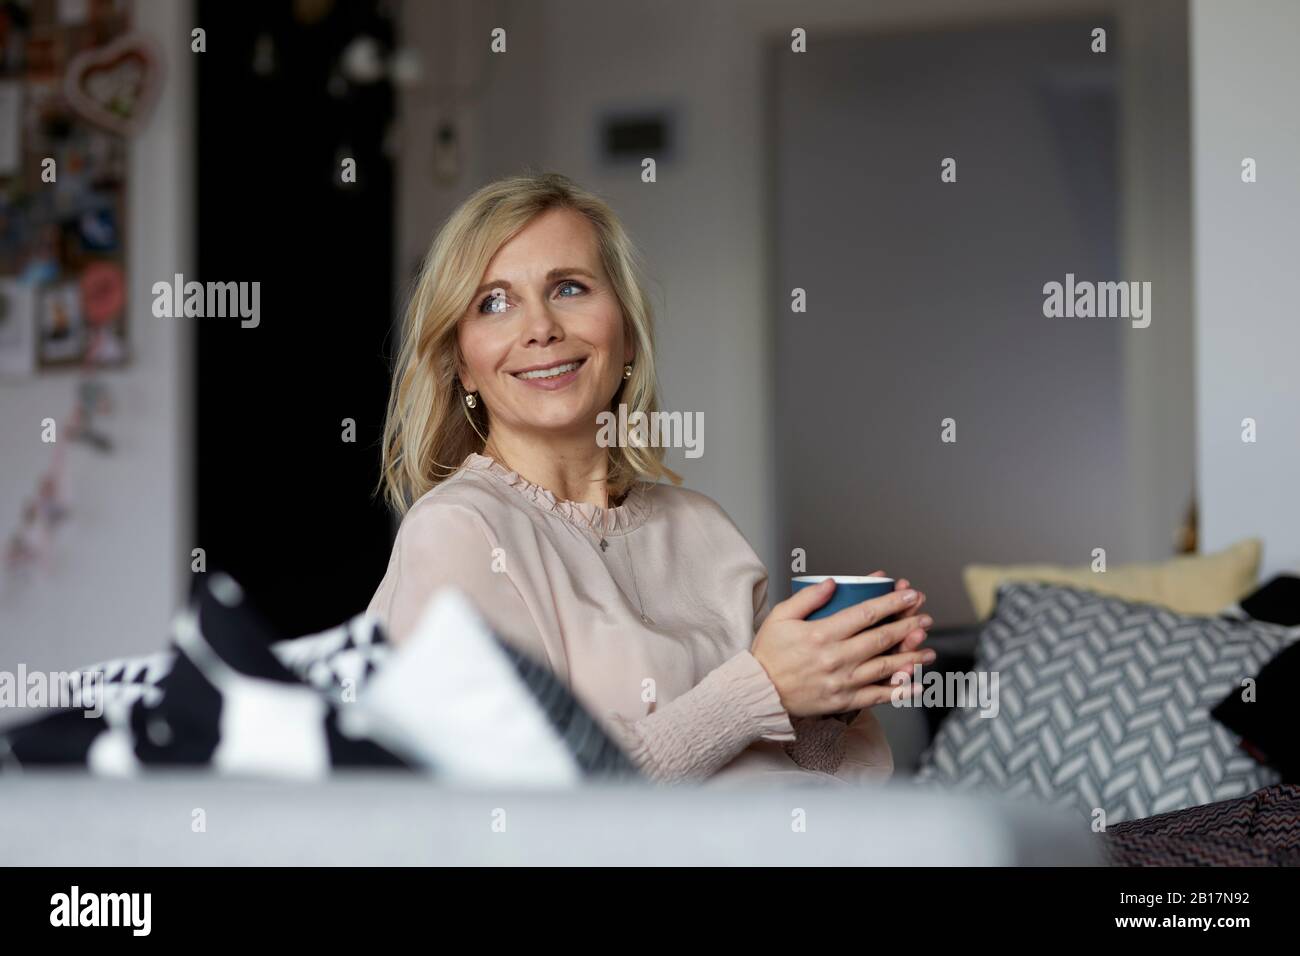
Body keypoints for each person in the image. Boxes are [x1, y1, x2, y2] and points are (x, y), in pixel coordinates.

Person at [368, 171, 935, 784]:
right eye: (494, 302)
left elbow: (805, 780)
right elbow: (519, 803)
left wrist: (826, 703)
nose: (540, 328)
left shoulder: (704, 528)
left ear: (628, 332)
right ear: (463, 367)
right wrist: (759, 688)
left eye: (569, 287)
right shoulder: (457, 531)